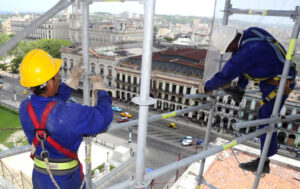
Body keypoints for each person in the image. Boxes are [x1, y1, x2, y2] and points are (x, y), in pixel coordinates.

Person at [200, 26, 296, 173]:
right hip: (274, 77)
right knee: (244, 66)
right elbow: (247, 62)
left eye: (229, 49)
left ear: (231, 42)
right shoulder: (252, 32)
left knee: (266, 119)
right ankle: (240, 89)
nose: (230, 52)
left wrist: (207, 87)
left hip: (279, 83)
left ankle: (264, 162)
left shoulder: (247, 51)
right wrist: (240, 86)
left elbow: (226, 74)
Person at [19, 49, 113, 189]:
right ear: (49, 83)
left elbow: (50, 105)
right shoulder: (69, 113)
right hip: (66, 181)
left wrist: (73, 78)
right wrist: (101, 90)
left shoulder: (25, 107)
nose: (59, 77)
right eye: (56, 75)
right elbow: (104, 117)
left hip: (40, 177)